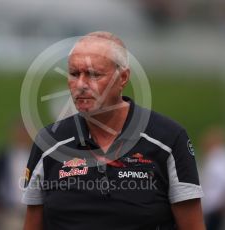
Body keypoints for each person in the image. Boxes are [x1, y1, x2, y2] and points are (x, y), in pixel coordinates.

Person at [22, 31, 205, 230]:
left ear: (123, 78)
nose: (81, 85)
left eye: (93, 74)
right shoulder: (49, 142)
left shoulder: (168, 139)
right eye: (74, 74)